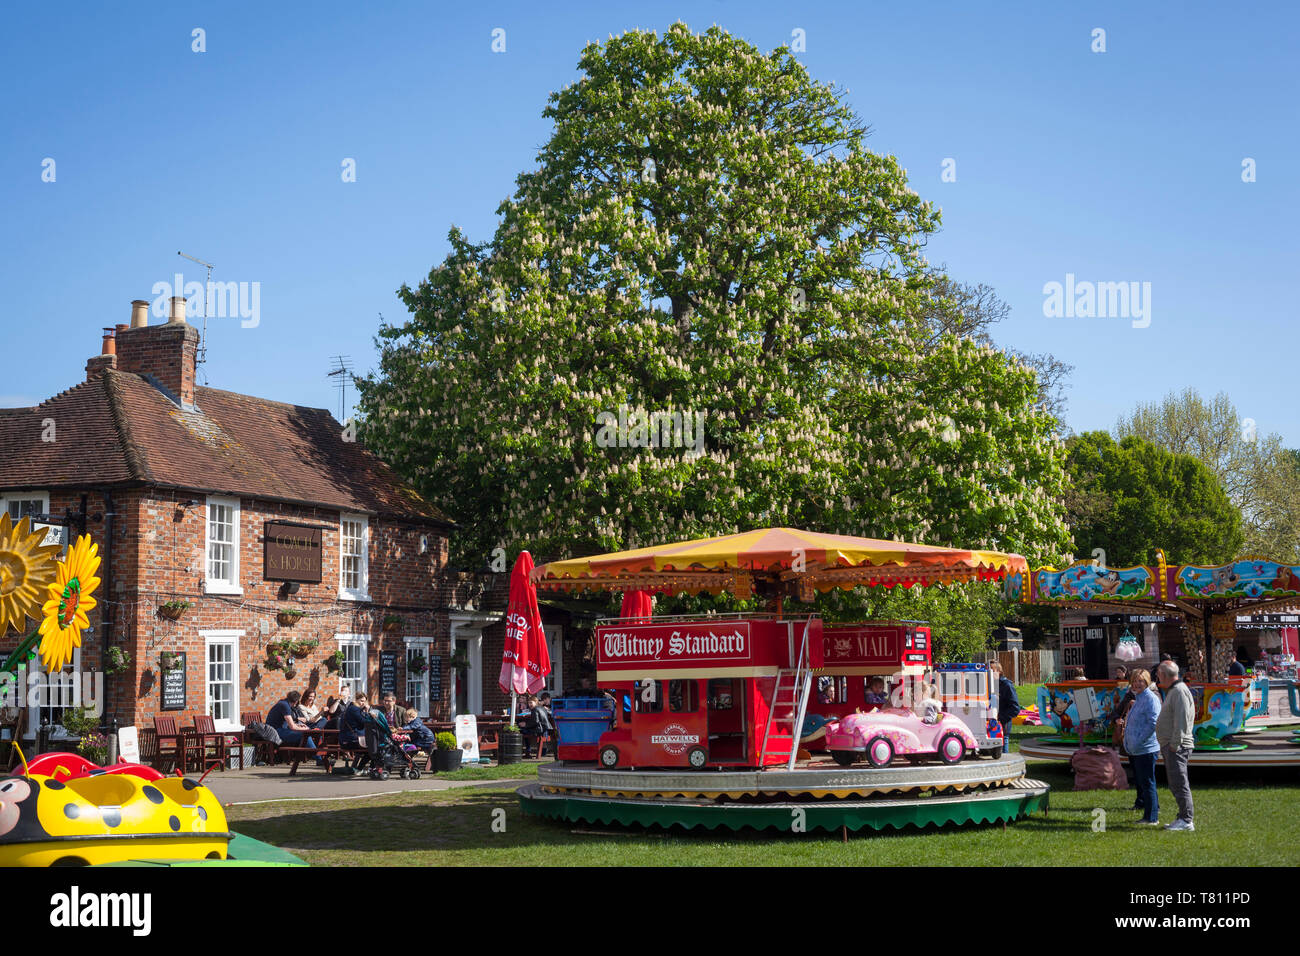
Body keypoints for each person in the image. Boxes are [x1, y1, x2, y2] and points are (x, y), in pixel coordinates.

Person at [1154, 661, 1195, 831]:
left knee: (1179, 783)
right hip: (1172, 745)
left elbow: (1181, 721)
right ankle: (1182, 817)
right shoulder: (1175, 691)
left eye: (1158, 675)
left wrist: (1174, 744)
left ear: (1164, 675)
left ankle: (1186, 820)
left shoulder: (1179, 691)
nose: (1157, 678)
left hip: (1176, 747)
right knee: (1176, 783)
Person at [1123, 669, 1162, 825]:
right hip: (1136, 748)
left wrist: (1138, 741)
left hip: (1146, 748)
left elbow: (1153, 723)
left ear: (1147, 682)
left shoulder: (1151, 699)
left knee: (1147, 782)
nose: (1137, 684)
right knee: (1144, 782)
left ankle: (1151, 817)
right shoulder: (1139, 698)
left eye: (1140, 681)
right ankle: (1150, 811)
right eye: (1134, 681)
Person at [989, 661, 1021, 752]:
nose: (989, 674)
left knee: (1003, 748)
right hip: (989, 726)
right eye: (987, 671)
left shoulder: (1006, 685)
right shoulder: (987, 686)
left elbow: (1015, 708)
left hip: (1003, 724)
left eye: (992, 671)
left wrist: (1000, 717)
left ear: (999, 671)